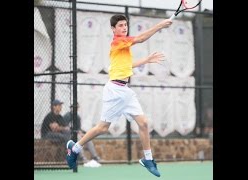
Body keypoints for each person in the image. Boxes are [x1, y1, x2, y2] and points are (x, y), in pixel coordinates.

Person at [66, 14, 172, 177]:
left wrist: (146, 60)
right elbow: (141, 39)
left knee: (143, 123)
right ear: (113, 29)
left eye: (125, 25)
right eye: (121, 25)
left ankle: (148, 159)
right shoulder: (118, 42)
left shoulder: (124, 46)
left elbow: (127, 65)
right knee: (103, 128)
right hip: (114, 91)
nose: (124, 27)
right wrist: (160, 25)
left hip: (126, 91)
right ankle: (75, 148)